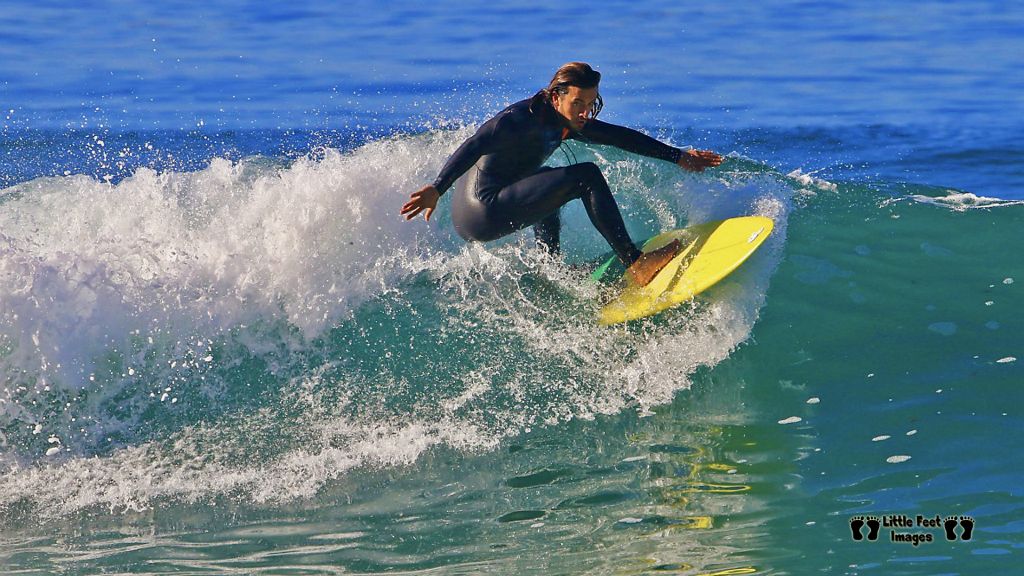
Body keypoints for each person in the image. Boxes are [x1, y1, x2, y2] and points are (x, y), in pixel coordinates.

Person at [401, 62, 723, 286]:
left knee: (551, 180)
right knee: (586, 176)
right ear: (557, 96)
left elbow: (619, 137)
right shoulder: (519, 120)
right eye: (578, 102)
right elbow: (474, 144)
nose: (586, 111)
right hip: (481, 208)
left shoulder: (568, 121)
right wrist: (438, 187)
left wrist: (678, 156)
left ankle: (549, 272)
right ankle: (635, 263)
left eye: (592, 102)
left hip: (495, 200)